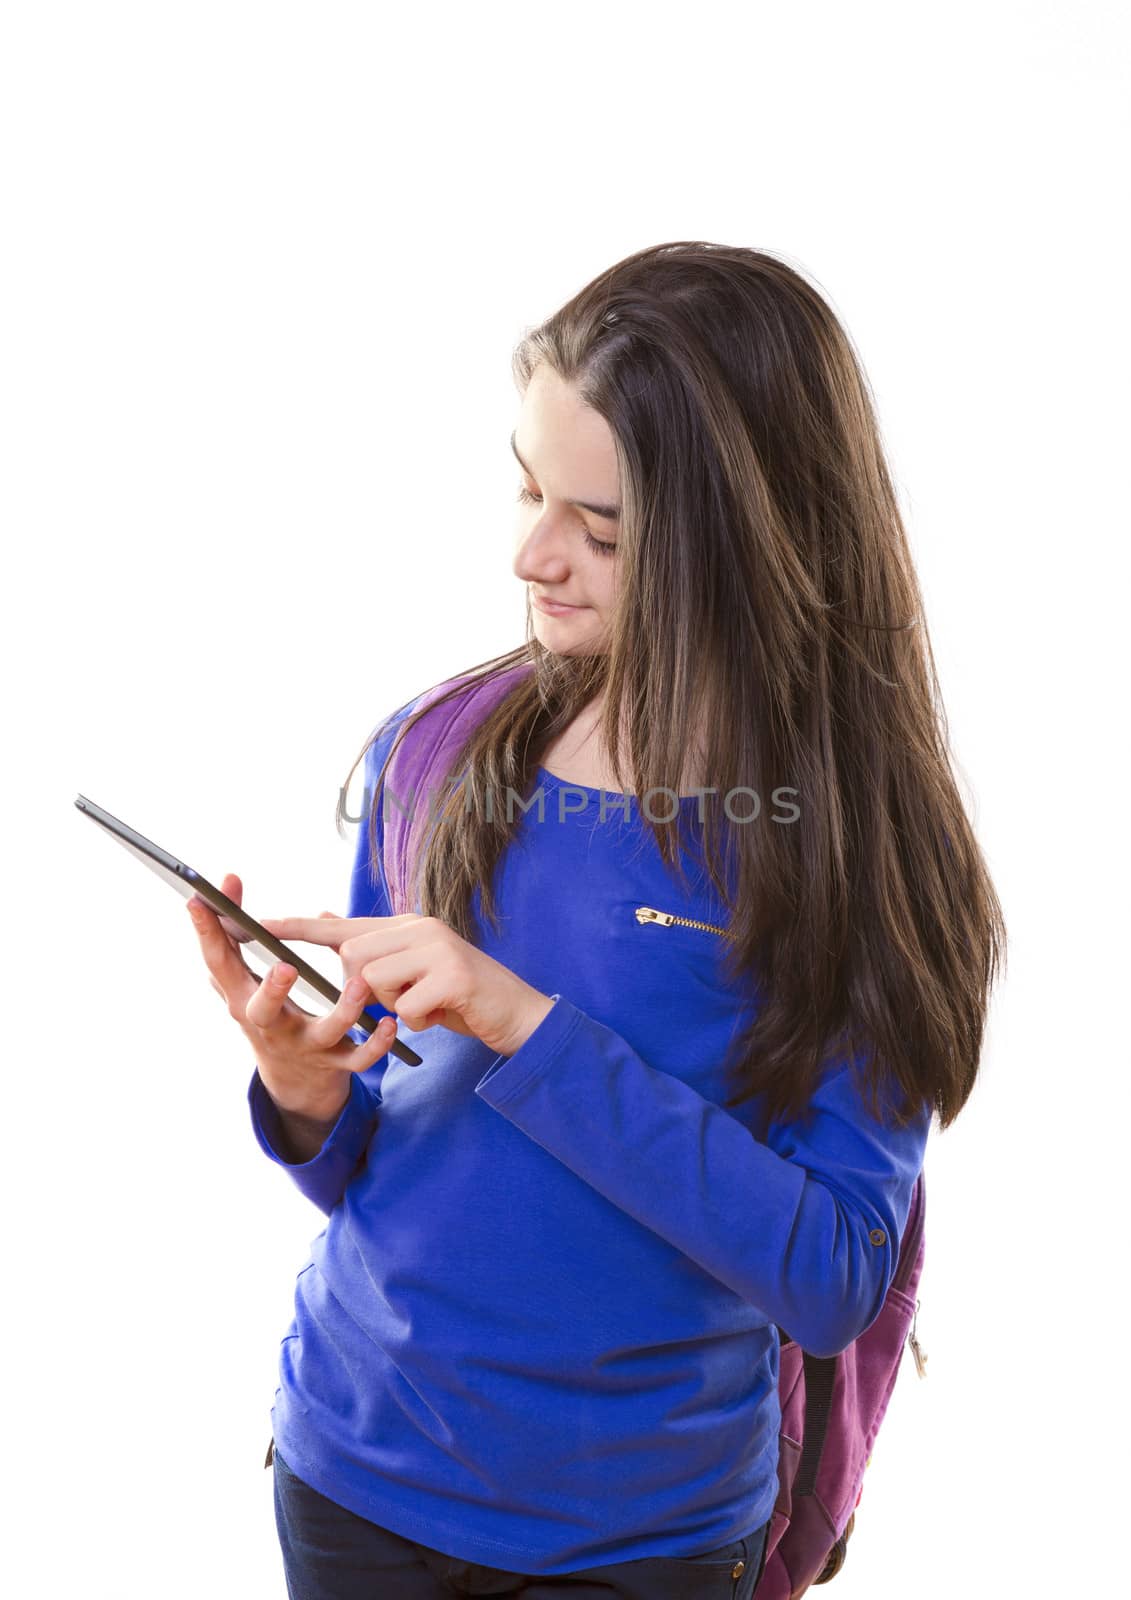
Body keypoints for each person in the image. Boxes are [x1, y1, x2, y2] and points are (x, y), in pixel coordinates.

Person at [187, 241, 1005, 1600]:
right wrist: (305, 1094)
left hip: (645, 1547)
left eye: (600, 528)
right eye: (527, 485)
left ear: (742, 543)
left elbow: (832, 1275)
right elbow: (378, 1164)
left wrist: (519, 1021)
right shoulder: (437, 752)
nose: (531, 552)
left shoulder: (843, 855)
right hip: (351, 1476)